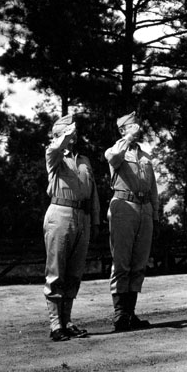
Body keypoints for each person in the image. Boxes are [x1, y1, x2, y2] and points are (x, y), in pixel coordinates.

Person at [43, 113, 102, 342]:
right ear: (60, 133)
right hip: (60, 214)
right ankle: (55, 324)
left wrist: (95, 220)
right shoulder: (54, 154)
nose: (75, 133)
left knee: (74, 272)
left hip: (82, 216)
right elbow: (55, 149)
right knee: (56, 271)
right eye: (70, 130)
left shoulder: (84, 159)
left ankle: (67, 321)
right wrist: (64, 134)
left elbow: (93, 191)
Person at [104, 111, 159, 332]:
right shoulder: (115, 150)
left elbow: (153, 186)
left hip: (144, 207)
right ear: (122, 130)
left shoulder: (145, 155)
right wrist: (126, 140)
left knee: (139, 262)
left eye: (137, 125)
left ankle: (130, 313)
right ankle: (120, 315)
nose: (137, 128)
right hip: (123, 206)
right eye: (132, 126)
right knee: (122, 260)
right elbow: (113, 158)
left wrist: (155, 213)